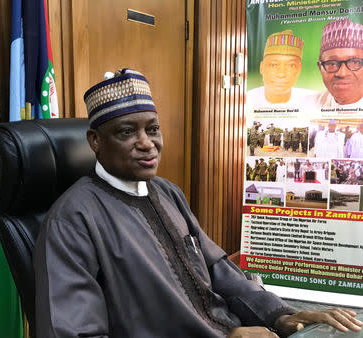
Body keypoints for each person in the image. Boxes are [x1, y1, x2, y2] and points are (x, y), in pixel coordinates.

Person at [34, 68, 362, 338]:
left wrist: (278, 315)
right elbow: (75, 333)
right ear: (95, 141)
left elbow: (218, 270)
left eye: (153, 129)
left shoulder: (165, 191)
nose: (146, 144)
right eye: (126, 132)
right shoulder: (73, 219)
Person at [247, 30, 314, 108]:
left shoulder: (312, 102)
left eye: (291, 65)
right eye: (274, 65)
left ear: (299, 69)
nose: (281, 74)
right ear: (261, 67)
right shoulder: (247, 100)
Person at [311, 19, 363, 108]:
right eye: (332, 64)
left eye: (354, 62)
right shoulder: (309, 105)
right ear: (320, 68)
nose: (342, 73)